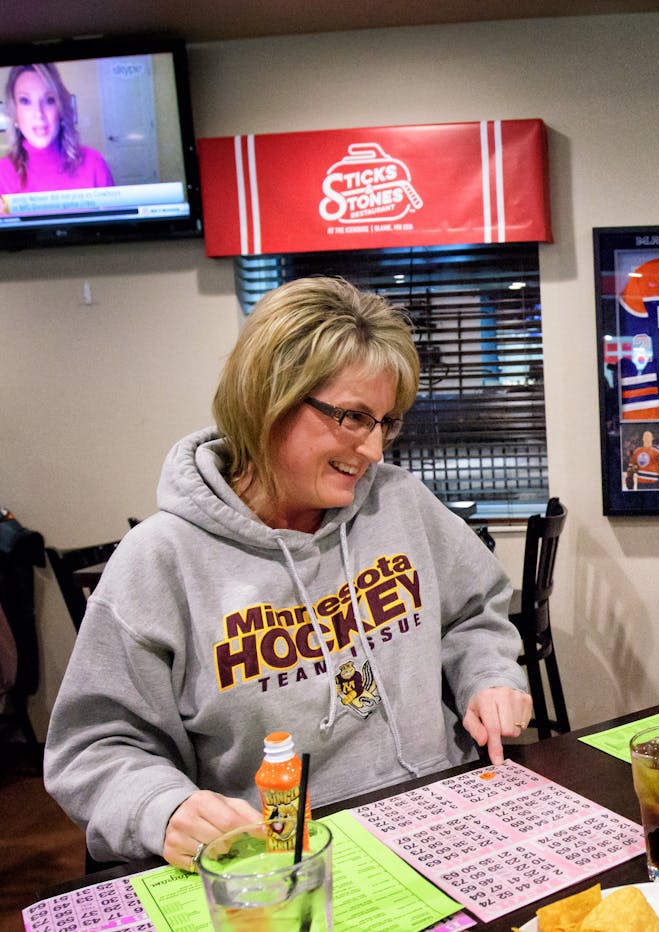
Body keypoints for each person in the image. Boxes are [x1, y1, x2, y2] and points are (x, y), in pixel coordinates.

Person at [45, 278, 533, 869]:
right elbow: (95, 748)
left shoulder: (398, 503)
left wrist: (487, 674)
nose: (375, 449)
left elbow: (474, 610)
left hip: (443, 816)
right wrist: (162, 808)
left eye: (384, 421)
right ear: (267, 399)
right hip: (284, 863)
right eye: (353, 417)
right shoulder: (159, 562)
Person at [1, 62, 115, 195]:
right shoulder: (2, 173)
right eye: (25, 101)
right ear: (14, 112)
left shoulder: (94, 163)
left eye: (49, 100)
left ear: (60, 108)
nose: (39, 114)